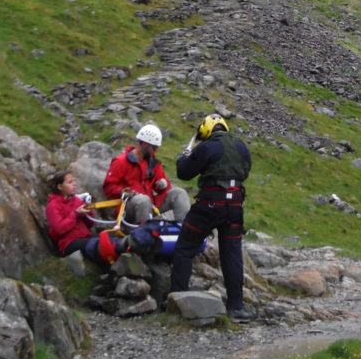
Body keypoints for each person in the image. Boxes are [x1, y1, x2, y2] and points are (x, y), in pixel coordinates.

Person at [170, 114, 254, 322]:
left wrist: (185, 157)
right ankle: (236, 307)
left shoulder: (206, 147)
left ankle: (177, 299)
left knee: (185, 248)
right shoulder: (241, 147)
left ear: (207, 130)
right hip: (235, 206)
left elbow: (184, 172)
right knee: (232, 254)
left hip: (209, 205)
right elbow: (245, 172)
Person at [103, 123, 190, 226]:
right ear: (144, 144)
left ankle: (184, 231)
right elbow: (108, 187)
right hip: (128, 207)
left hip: (150, 204)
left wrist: (163, 185)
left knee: (179, 193)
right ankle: (143, 235)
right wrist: (123, 192)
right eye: (154, 147)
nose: (156, 150)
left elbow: (165, 188)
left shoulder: (152, 163)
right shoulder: (121, 161)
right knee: (143, 200)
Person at [46, 169, 129, 266]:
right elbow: (59, 230)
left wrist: (88, 211)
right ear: (60, 186)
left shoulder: (76, 200)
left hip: (86, 236)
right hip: (69, 243)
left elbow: (90, 224)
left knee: (110, 237)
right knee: (99, 244)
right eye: (70, 182)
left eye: (74, 181)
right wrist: (75, 214)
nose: (74, 184)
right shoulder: (53, 206)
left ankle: (128, 248)